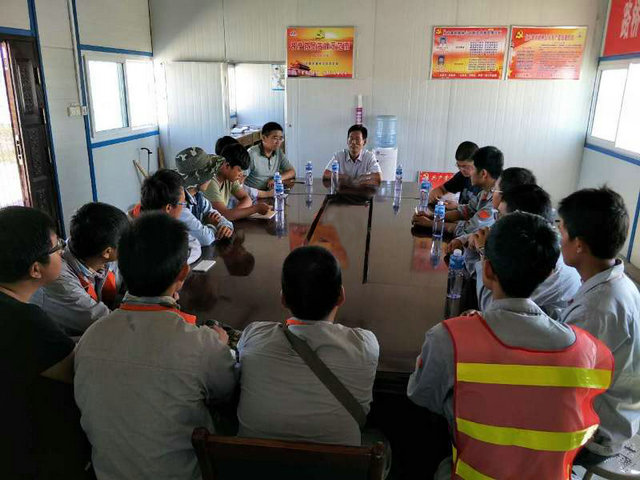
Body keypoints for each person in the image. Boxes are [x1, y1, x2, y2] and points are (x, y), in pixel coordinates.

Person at [407, 212, 613, 480]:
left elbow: (422, 396)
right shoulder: (588, 349)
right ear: (549, 273)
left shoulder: (449, 339)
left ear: (487, 270)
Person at [74, 212, 237, 480]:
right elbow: (226, 390)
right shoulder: (200, 344)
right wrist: (219, 345)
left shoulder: (91, 337)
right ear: (183, 272)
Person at [236, 245, 379, 446]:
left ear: (283, 299)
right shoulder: (365, 345)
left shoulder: (254, 335)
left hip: (254, 462)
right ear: (341, 296)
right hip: (338, 463)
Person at [0, 206, 90, 479]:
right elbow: (80, 372)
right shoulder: (25, 321)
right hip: (35, 455)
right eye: (57, 248)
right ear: (35, 269)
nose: (62, 252)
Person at [558, 187, 640, 466]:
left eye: (562, 231)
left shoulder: (597, 309)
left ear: (579, 245)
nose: (559, 239)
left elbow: (560, 381)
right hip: (618, 414)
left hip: (598, 434)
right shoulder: (617, 281)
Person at [474, 184, 581, 319]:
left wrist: (484, 253)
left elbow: (491, 308)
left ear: (521, 224)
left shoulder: (541, 260)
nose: (495, 224)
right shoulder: (537, 245)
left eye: (500, 216)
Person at [31, 202, 129, 336]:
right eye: (127, 242)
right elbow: (107, 325)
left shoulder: (99, 253)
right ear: (107, 252)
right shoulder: (58, 278)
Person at [413, 146, 503, 236]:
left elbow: (468, 230)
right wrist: (432, 216)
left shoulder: (496, 202)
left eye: (473, 169)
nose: (469, 173)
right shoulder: (486, 192)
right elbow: (466, 211)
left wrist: (429, 223)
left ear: (483, 173)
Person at [447, 166, 537, 254]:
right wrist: (462, 239)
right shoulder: (501, 216)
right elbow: (484, 232)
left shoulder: (516, 235)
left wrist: (482, 250)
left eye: (495, 189)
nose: (492, 192)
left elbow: (470, 229)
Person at [202, 143, 273, 220]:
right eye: (239, 170)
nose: (241, 174)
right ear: (227, 166)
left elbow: (247, 198)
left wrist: (235, 213)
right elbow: (225, 215)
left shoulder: (230, 178)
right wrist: (255, 209)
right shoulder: (210, 182)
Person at [174, 148, 234, 239]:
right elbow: (205, 238)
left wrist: (226, 227)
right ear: (200, 179)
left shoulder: (198, 197)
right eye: (210, 174)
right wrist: (213, 226)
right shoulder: (180, 203)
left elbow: (220, 218)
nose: (212, 177)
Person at [245, 122, 296, 190]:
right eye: (275, 138)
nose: (278, 142)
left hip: (271, 192)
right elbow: (240, 180)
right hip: (255, 194)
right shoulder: (251, 154)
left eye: (280, 139)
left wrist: (277, 179)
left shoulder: (278, 152)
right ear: (263, 138)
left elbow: (292, 172)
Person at [428, 141, 479, 207]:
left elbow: (482, 211)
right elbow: (443, 189)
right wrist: (434, 193)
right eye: (458, 166)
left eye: (465, 166)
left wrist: (457, 207)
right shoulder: (462, 176)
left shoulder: (485, 182)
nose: (462, 170)